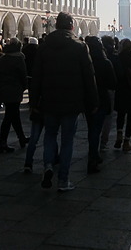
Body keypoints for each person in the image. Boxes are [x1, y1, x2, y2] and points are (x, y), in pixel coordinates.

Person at [31, 12, 97, 191]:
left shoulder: (44, 47)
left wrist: (33, 102)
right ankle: (63, 181)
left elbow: (36, 77)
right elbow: (89, 76)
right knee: (67, 140)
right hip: (71, 102)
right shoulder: (80, 47)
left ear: (55, 25)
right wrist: (93, 102)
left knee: (50, 136)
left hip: (49, 101)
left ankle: (48, 166)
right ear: (72, 27)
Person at [84, 36, 116, 173]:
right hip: (102, 99)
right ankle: (93, 157)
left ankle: (94, 154)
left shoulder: (84, 62)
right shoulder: (106, 62)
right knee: (96, 129)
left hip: (88, 100)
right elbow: (113, 83)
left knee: (91, 128)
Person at [0, 38, 29, 153]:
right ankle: (3, 143)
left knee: (14, 114)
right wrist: (24, 87)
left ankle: (21, 138)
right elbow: (23, 75)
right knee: (10, 116)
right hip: (15, 90)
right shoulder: (19, 58)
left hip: (3, 89)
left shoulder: (3, 58)